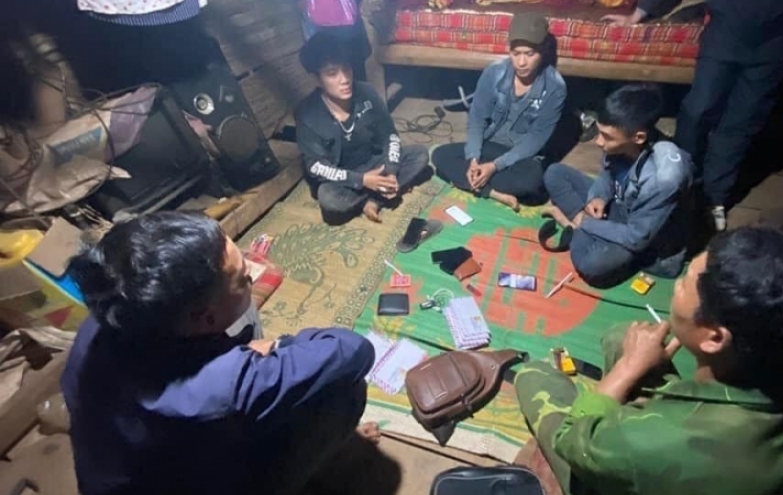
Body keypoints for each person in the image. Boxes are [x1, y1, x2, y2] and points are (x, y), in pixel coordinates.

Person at [515, 226, 783, 495]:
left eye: (685, 282)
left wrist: (626, 370)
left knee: (533, 376)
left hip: (667, 459)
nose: (677, 285)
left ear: (715, 337)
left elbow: (573, 441)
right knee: (622, 337)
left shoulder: (659, 443)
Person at [62, 211, 380, 495]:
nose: (252, 274)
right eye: (242, 278)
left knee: (245, 317)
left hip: (127, 474)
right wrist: (281, 346)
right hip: (189, 480)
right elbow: (355, 351)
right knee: (343, 389)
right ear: (206, 318)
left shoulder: (104, 322)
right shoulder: (229, 382)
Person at [602, 0, 783, 231]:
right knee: (697, 111)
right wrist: (638, 14)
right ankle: (680, 187)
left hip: (779, 38)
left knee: (741, 122)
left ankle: (714, 198)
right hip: (726, 30)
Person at [543, 84, 692, 289]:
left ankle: (572, 222)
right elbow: (608, 174)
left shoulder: (663, 180)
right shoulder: (624, 140)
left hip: (642, 235)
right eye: (599, 131)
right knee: (554, 173)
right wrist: (599, 196)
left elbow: (637, 237)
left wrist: (584, 222)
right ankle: (581, 224)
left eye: (607, 136)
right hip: (618, 207)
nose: (598, 142)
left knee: (590, 265)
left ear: (639, 137)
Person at [432, 12, 566, 211]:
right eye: (515, 53)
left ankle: (471, 182)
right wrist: (473, 159)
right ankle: (492, 192)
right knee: (439, 155)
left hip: (521, 156)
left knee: (534, 183)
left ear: (544, 50)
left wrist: (494, 166)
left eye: (529, 54)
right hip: (490, 145)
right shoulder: (494, 72)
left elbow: (535, 140)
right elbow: (477, 119)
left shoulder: (555, 87)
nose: (521, 62)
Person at [295, 31, 429, 224]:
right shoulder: (308, 113)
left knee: (420, 155)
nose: (344, 79)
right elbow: (316, 167)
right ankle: (376, 196)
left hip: (375, 163)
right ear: (317, 78)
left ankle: (374, 199)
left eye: (347, 68)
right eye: (332, 74)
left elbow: (390, 136)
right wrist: (361, 180)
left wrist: (391, 171)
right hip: (344, 177)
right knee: (329, 199)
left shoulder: (366, 92)